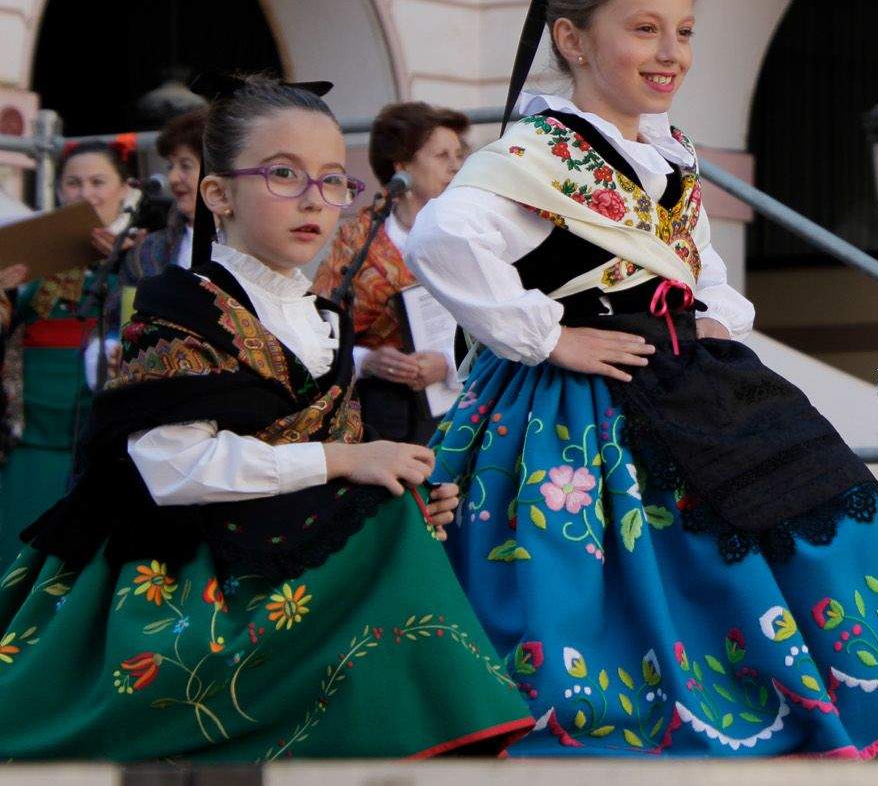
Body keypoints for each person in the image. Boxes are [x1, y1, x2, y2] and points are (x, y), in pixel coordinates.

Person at [407, 0, 878, 758]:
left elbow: (701, 264)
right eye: (646, 29)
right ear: (572, 39)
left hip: (690, 382)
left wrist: (714, 319)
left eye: (684, 32)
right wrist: (548, 335)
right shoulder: (533, 155)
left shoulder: (667, 148)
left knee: (788, 519)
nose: (671, 53)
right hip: (579, 415)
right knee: (603, 579)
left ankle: (777, 712)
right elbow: (441, 238)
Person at [0, 78, 531, 759]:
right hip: (174, 582)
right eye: (284, 174)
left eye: (334, 181)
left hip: (272, 564)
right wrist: (351, 463)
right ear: (217, 194)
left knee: (402, 518)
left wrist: (396, 489)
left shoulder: (325, 322)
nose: (315, 198)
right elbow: (172, 468)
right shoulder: (179, 306)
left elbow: (314, 477)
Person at [0, 140, 138, 551]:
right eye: (73, 183)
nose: (85, 193)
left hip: (96, 443)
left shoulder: (146, 255)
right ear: (60, 191)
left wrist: (124, 263)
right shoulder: (28, 252)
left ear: (124, 189)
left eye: (98, 181)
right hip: (25, 439)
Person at [315, 102, 470, 444]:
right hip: (382, 407)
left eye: (458, 155)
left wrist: (447, 363)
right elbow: (321, 324)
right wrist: (368, 360)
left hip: (460, 401)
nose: (455, 167)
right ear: (402, 166)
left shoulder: (467, 231)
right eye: (442, 156)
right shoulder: (357, 238)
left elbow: (498, 319)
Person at [125, 107, 208, 285]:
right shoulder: (148, 250)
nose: (172, 178)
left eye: (185, 166)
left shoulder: (252, 245)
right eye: (170, 167)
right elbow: (123, 311)